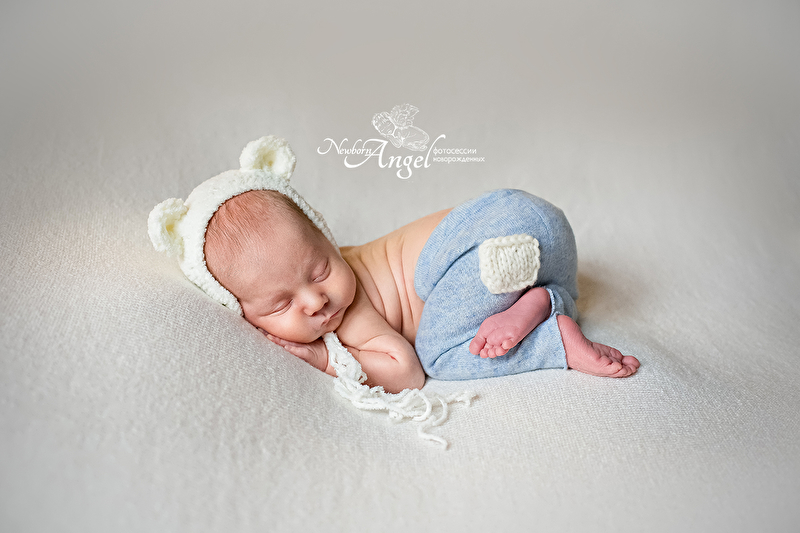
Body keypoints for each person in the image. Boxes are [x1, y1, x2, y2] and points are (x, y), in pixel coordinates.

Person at [149, 136, 640, 396]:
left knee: (438, 356)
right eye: (281, 304)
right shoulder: (326, 280)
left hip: (486, 249)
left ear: (327, 237)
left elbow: (405, 373)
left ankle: (555, 341)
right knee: (508, 290)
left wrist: (327, 361)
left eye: (320, 271)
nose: (316, 301)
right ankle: (544, 300)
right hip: (538, 226)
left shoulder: (349, 313)